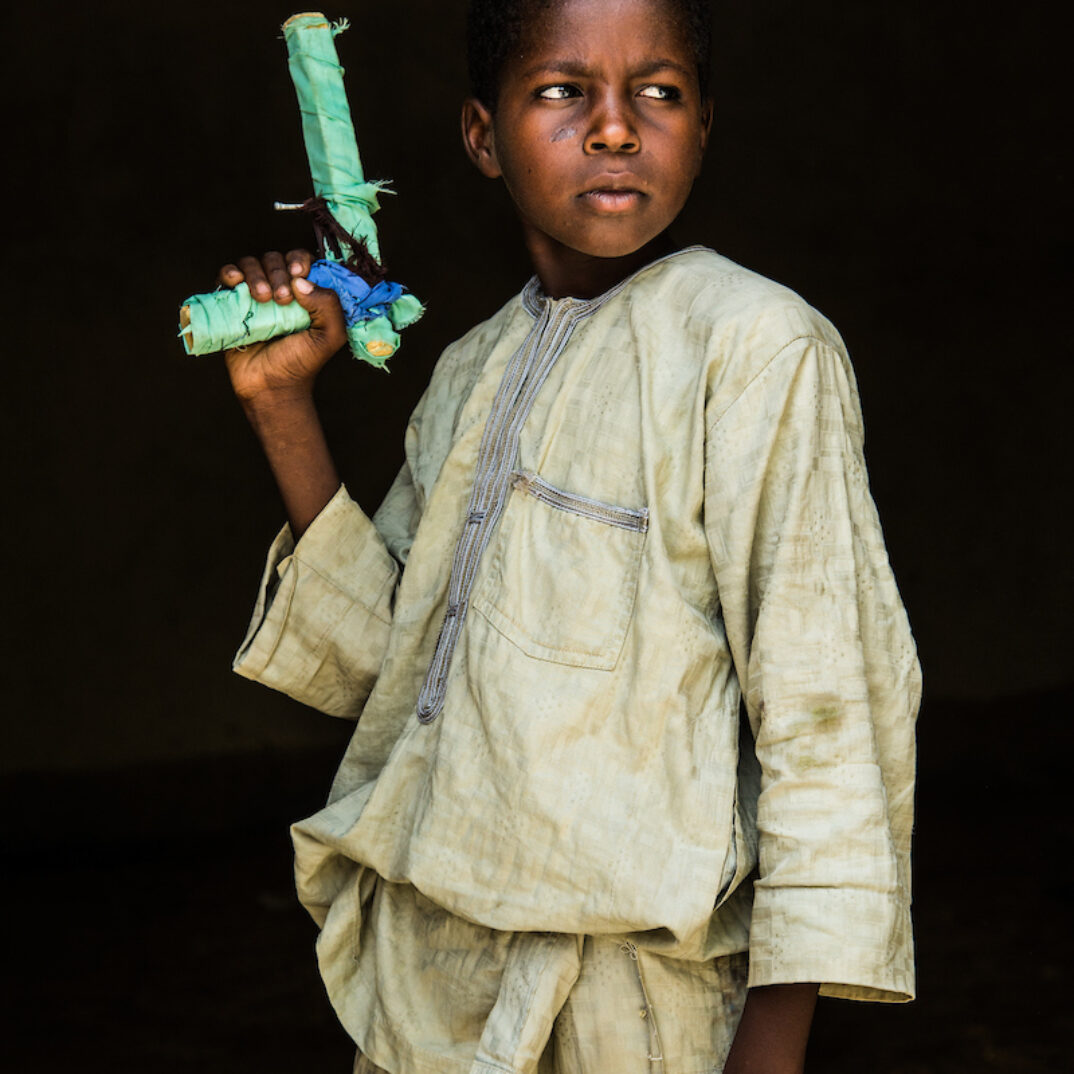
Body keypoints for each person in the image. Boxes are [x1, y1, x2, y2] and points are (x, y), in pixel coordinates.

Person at [216, 1, 920, 1071]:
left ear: (705, 124)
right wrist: (283, 408)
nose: (615, 128)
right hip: (432, 993)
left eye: (659, 92)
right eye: (562, 92)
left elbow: (828, 712)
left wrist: (772, 1045)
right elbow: (389, 669)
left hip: (635, 1008)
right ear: (482, 136)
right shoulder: (470, 371)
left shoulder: (754, 348)